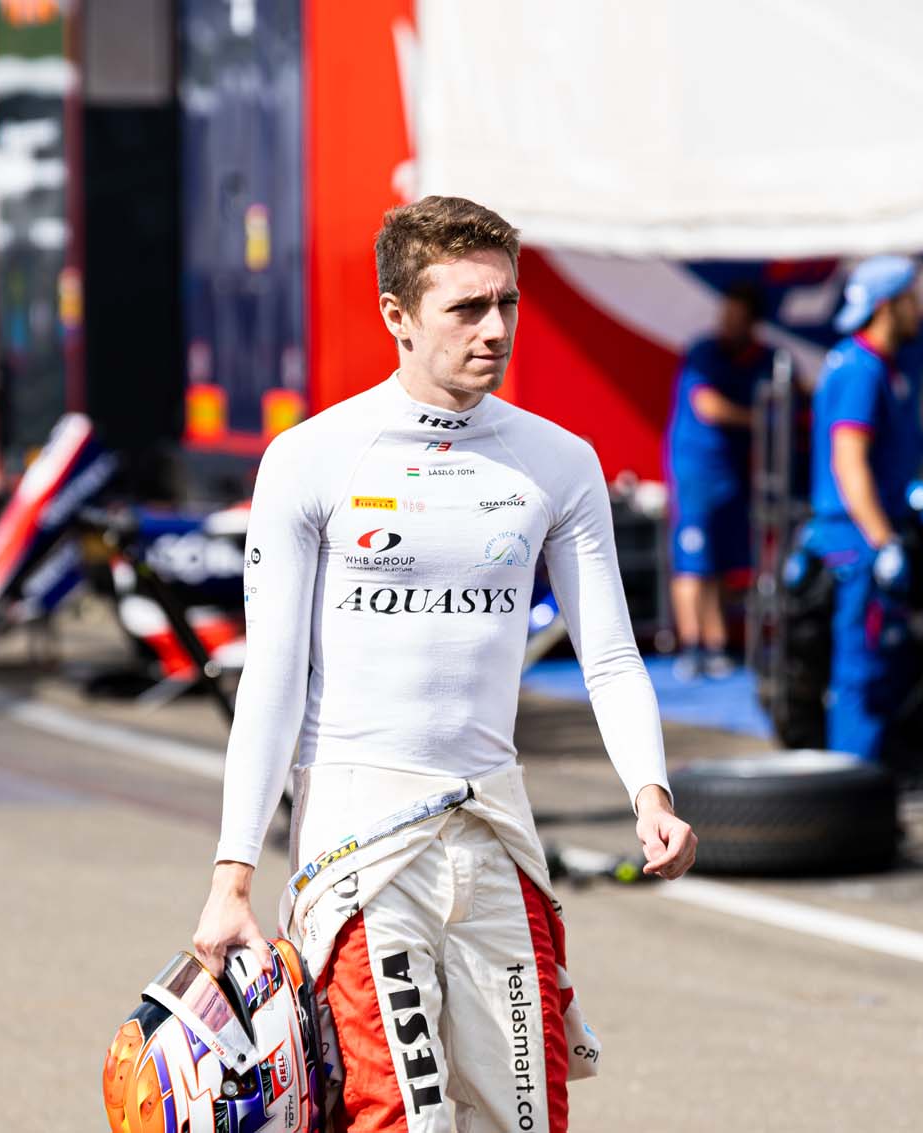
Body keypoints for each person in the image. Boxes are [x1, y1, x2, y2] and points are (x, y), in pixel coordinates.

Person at [193, 195, 697, 1133]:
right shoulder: (311, 459)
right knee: (398, 1118)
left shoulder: (558, 461)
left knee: (528, 1118)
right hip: (359, 845)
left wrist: (650, 793)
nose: (495, 329)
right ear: (397, 314)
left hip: (496, 832)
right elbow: (273, 678)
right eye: (466, 307)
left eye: (506, 303)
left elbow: (610, 654)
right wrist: (233, 876)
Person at [806, 255, 923, 762]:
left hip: (857, 537)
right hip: (858, 542)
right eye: (913, 299)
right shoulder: (862, 368)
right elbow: (848, 459)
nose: (921, 309)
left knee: (873, 668)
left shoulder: (870, 365)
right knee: (862, 671)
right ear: (888, 305)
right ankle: (852, 784)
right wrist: (883, 540)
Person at [666, 281, 771, 680]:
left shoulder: (758, 358)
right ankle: (692, 647)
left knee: (720, 564)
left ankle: (715, 644)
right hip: (697, 474)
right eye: (726, 314)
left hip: (730, 474)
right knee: (693, 562)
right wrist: (759, 420)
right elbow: (708, 406)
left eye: (737, 316)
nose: (728, 323)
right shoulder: (704, 353)